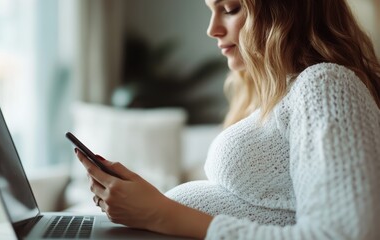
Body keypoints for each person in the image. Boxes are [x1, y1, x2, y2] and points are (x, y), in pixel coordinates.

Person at [75, 0, 380, 239]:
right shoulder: (274, 97)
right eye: (211, 10)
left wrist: (160, 213)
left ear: (286, 10)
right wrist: (149, 205)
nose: (212, 29)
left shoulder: (326, 84)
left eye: (230, 9)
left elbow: (344, 234)